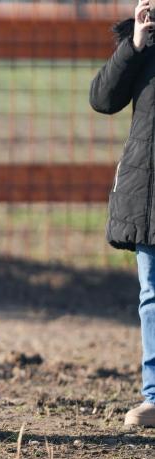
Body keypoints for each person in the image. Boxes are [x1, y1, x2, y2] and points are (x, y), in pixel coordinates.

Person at [90, 0, 155, 426]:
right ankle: (154, 397)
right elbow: (103, 99)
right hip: (150, 191)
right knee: (152, 297)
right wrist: (133, 43)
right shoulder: (143, 45)